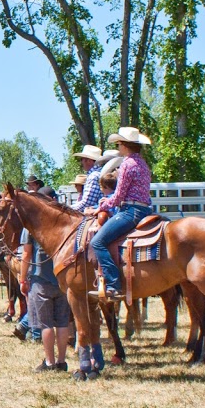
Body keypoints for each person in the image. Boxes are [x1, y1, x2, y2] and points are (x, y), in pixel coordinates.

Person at [86, 127, 153, 302]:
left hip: (130, 211)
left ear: (125, 145)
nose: (118, 147)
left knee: (98, 241)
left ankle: (113, 284)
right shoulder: (143, 164)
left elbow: (118, 196)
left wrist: (100, 207)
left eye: (119, 143)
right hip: (146, 209)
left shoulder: (127, 164)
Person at [21, 226, 69, 371]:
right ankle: (61, 361)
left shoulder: (29, 227)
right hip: (61, 279)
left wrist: (22, 279)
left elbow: (26, 254)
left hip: (41, 280)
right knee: (62, 323)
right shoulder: (60, 222)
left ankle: (49, 362)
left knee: (45, 324)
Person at [70, 145, 104, 212]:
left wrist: (67, 209)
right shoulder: (100, 172)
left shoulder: (93, 176)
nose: (81, 162)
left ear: (89, 160)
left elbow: (87, 203)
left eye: (82, 159)